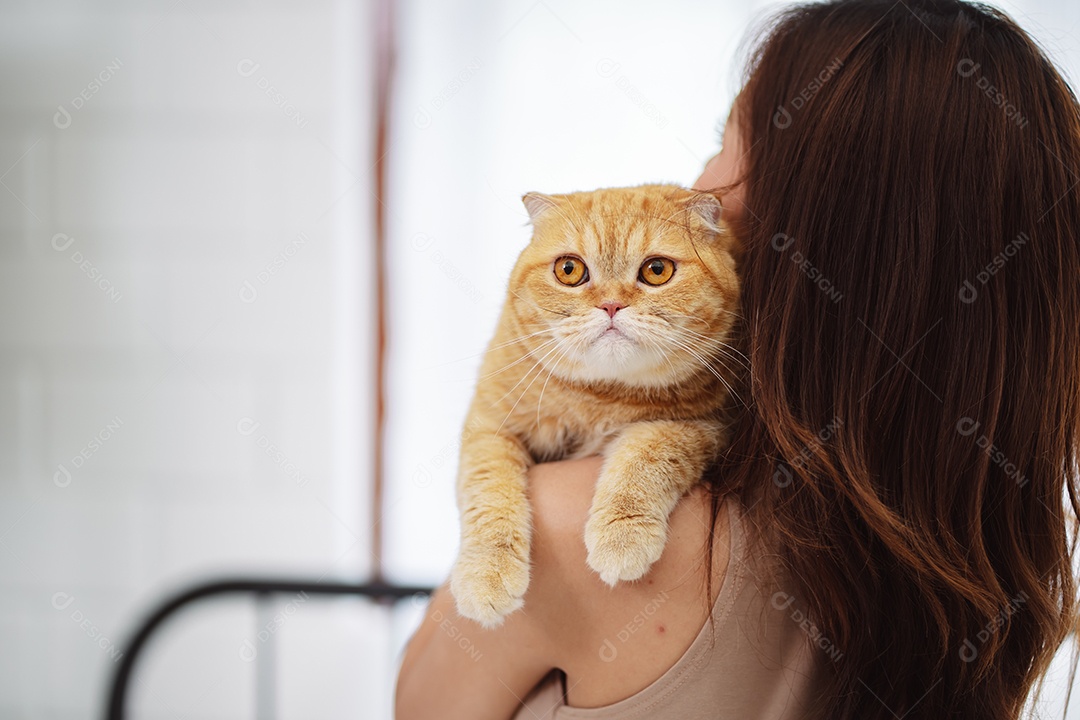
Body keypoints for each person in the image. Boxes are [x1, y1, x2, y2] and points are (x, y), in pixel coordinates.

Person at [394, 0, 1080, 717]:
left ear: (804, 215)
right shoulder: (1002, 568)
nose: (699, 184)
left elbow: (420, 705)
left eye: (726, 143)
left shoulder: (566, 527)